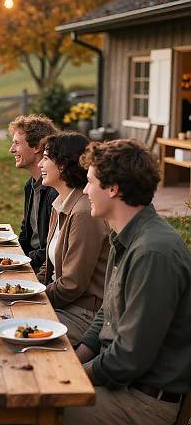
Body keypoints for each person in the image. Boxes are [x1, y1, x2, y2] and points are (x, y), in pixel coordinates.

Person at [65, 139, 191, 425]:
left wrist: (72, 377)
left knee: (36, 411)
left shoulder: (153, 252)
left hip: (143, 401)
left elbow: (129, 358)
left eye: (90, 182)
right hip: (122, 384)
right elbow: (105, 317)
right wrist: (73, 360)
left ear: (113, 189)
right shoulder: (126, 237)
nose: (85, 191)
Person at [36, 132, 109, 346]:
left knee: (16, 328)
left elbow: (72, 284)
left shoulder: (84, 212)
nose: (40, 163)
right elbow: (47, 268)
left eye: (46, 158)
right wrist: (26, 288)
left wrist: (33, 298)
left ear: (64, 165)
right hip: (62, 303)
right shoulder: (60, 202)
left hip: (84, 313)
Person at [8, 115, 58, 271]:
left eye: (17, 143)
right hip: (32, 262)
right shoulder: (30, 185)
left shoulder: (55, 191)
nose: (12, 150)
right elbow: (25, 232)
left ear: (37, 146)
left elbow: (52, 248)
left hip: (43, 270)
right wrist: (11, 257)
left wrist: (21, 262)